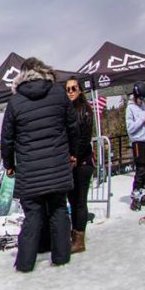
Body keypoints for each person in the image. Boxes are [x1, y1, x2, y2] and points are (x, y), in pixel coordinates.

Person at [0, 57, 78, 272]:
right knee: (59, 210)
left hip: (29, 168)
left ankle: (25, 264)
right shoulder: (58, 93)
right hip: (57, 164)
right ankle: (62, 258)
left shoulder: (15, 102)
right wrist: (73, 152)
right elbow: (72, 126)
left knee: (32, 215)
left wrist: (9, 163)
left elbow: (7, 137)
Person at [65, 76, 94, 252]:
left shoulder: (85, 110)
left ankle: (79, 239)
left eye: (73, 88)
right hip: (70, 163)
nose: (70, 92)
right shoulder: (66, 111)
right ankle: (74, 233)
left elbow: (85, 137)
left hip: (82, 162)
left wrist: (75, 155)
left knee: (80, 201)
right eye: (68, 89)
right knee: (72, 200)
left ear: (80, 90)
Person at [125, 81, 145, 211]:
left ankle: (143, 193)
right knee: (140, 169)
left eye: (143, 98)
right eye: (140, 98)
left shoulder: (143, 106)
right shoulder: (130, 108)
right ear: (136, 96)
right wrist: (142, 119)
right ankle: (135, 196)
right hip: (138, 142)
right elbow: (130, 128)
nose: (142, 100)